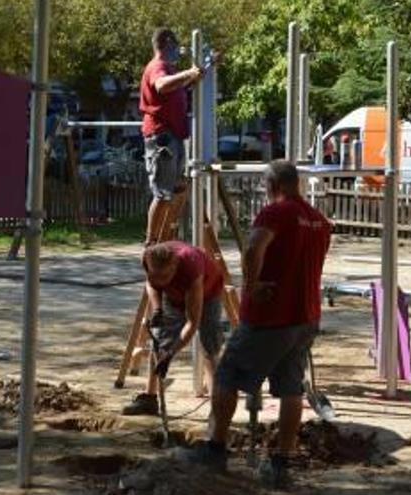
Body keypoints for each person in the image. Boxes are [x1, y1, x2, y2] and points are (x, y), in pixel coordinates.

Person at [179, 162, 332, 489]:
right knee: (291, 388)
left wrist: (251, 283)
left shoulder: (275, 213)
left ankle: (216, 449)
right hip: (305, 318)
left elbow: (254, 247)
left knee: (226, 375)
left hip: (270, 317)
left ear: (272, 184)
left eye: (265, 184)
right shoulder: (319, 221)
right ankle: (280, 463)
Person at [122, 240, 225, 415]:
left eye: (164, 277)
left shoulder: (191, 268)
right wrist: (157, 309)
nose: (159, 281)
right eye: (156, 275)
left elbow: (192, 323)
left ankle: (218, 408)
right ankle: (150, 399)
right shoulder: (149, 258)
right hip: (173, 293)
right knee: (160, 343)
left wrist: (171, 354)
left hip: (207, 292)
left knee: (209, 346)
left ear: (175, 265)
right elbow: (151, 283)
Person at [139, 28, 204, 245]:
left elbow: (177, 84)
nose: (178, 49)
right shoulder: (158, 67)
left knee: (177, 188)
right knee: (163, 193)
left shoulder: (169, 69)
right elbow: (162, 85)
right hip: (162, 138)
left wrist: (193, 77)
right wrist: (189, 73)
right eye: (175, 44)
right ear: (166, 43)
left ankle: (165, 239)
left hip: (174, 135)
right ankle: (151, 243)